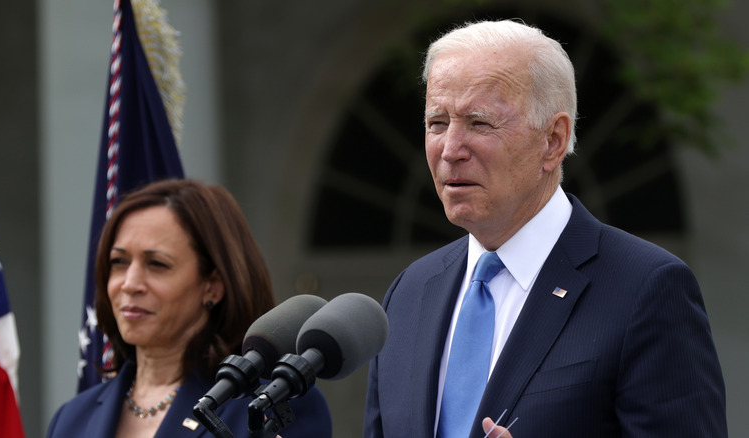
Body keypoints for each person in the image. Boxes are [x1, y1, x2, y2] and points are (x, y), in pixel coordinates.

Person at [363, 19, 727, 438]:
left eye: (479, 123)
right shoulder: (408, 294)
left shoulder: (646, 289)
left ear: (553, 141)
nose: (450, 149)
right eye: (437, 123)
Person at [47, 179, 332, 438]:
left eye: (157, 264)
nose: (130, 284)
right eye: (119, 262)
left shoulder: (274, 403)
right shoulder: (71, 418)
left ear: (213, 286)